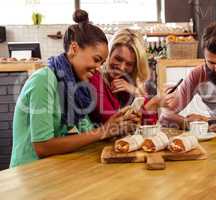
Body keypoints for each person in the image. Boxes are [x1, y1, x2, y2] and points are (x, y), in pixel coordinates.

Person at [10, 10, 139, 168]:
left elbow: (85, 133)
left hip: (53, 170)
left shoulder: (77, 86)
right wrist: (102, 131)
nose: (98, 68)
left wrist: (114, 127)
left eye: (101, 63)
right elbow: (42, 147)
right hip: (28, 173)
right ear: (74, 49)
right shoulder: (43, 80)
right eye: (96, 59)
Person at [90, 28, 159, 126]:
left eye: (129, 64)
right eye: (118, 59)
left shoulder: (130, 84)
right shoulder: (95, 78)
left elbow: (150, 124)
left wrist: (136, 92)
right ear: (109, 53)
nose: (122, 68)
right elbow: (113, 123)